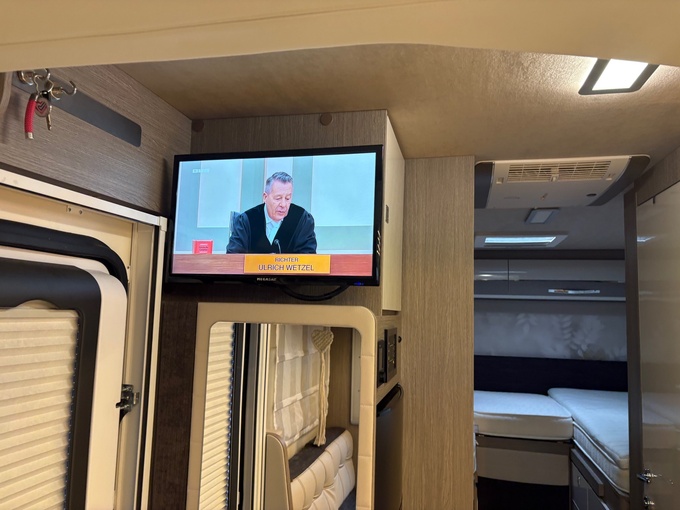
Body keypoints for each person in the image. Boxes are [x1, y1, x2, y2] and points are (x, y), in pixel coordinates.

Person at [226, 171, 317, 254]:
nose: (283, 204)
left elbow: (309, 260)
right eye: (278, 198)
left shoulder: (302, 220)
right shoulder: (246, 221)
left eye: (287, 198)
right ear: (265, 197)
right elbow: (233, 257)